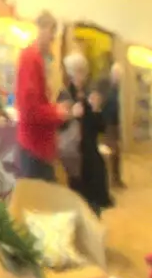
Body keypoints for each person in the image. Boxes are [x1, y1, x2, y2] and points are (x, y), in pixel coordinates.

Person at [14, 11, 74, 180]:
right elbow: (28, 109)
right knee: (38, 201)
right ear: (44, 29)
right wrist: (57, 112)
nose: (52, 41)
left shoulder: (38, 59)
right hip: (35, 146)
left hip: (40, 146)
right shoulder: (30, 58)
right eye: (52, 35)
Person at [59, 52, 113, 214]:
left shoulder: (91, 94)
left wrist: (96, 110)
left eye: (83, 70)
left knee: (94, 206)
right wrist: (70, 115)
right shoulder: (64, 95)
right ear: (70, 72)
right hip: (73, 158)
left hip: (90, 157)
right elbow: (59, 126)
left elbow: (102, 128)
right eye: (77, 71)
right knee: (76, 206)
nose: (81, 75)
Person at [96, 61, 126, 188]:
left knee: (115, 152)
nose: (118, 77)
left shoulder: (117, 87)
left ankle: (115, 179)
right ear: (112, 73)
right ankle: (110, 179)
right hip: (106, 123)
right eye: (116, 74)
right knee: (110, 151)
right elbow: (102, 103)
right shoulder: (105, 86)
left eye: (119, 75)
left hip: (114, 123)